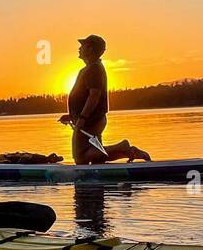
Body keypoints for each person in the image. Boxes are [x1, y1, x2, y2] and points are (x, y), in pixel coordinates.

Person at [59, 35, 151, 164]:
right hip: (88, 118)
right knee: (97, 157)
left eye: (83, 46)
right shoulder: (88, 69)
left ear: (90, 49)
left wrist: (82, 117)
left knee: (81, 157)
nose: (79, 48)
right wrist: (73, 116)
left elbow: (94, 95)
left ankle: (122, 147)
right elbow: (85, 97)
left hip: (90, 119)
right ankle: (124, 154)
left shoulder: (94, 69)